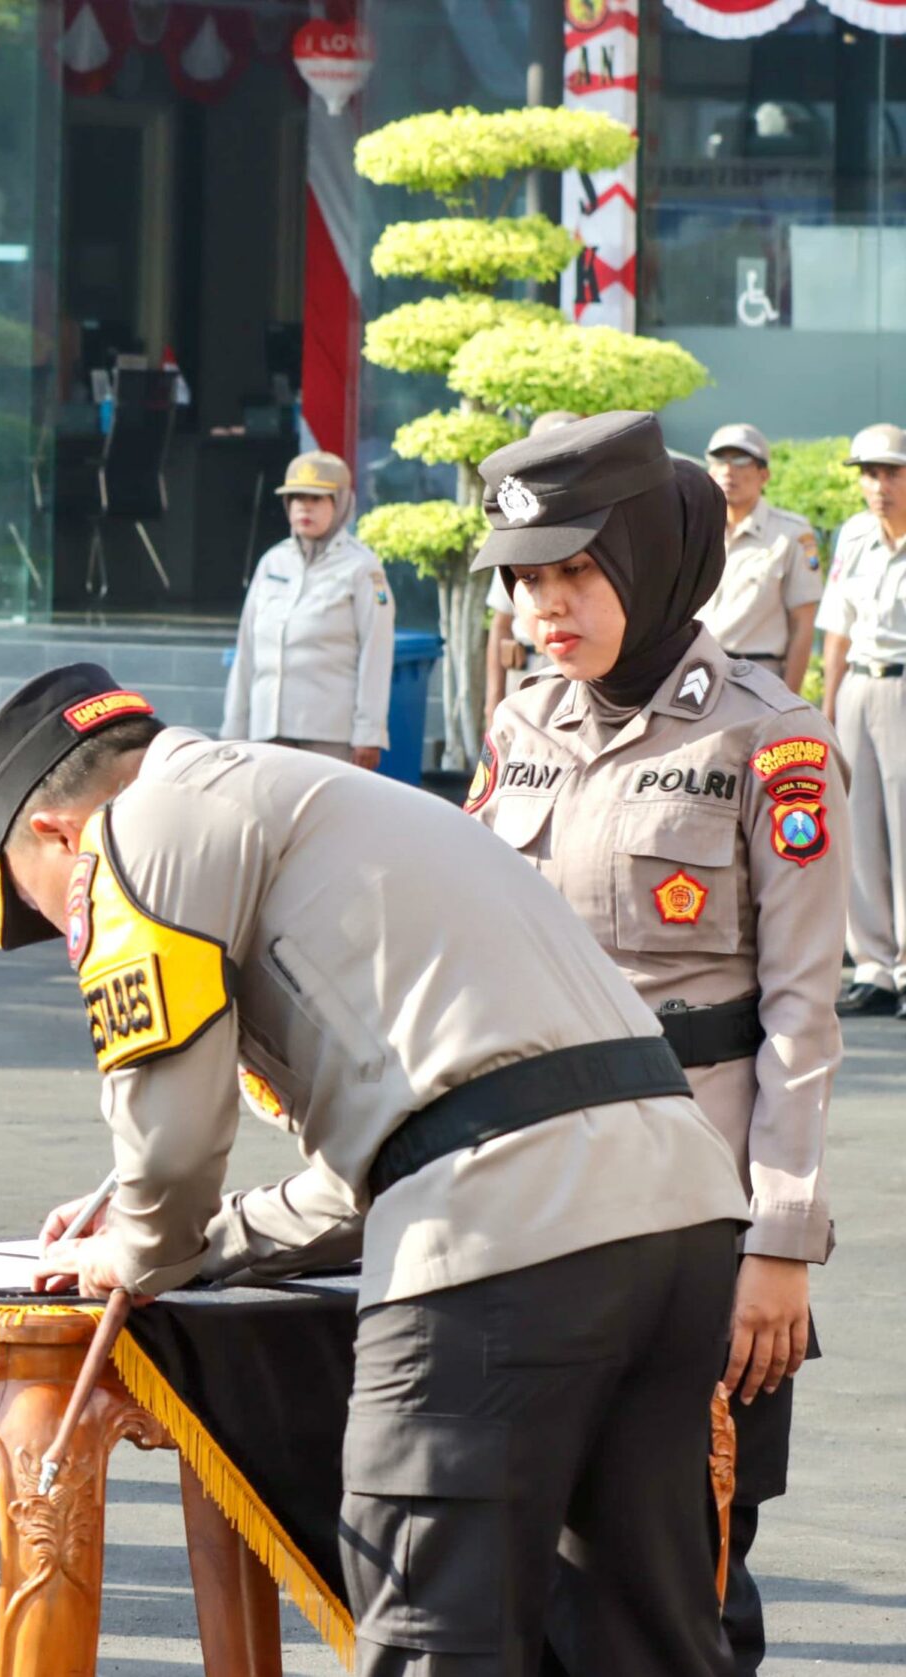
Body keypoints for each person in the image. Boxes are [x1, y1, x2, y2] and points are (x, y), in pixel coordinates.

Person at [0, 665, 750, 1676]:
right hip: (679, 1214)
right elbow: (390, 1162)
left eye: (38, 902)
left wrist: (139, 1248)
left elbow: (170, 1141)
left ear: (56, 833)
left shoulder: (141, 822)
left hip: (497, 1236)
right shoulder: (330, 798)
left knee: (435, 1638)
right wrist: (212, 1241)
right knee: (641, 1647)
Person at [466, 411, 839, 1674]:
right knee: (529, 1574)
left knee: (679, 1578)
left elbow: (800, 1016)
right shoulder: (520, 728)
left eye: (575, 572)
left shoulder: (770, 739)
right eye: (525, 580)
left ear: (647, 559)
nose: (544, 608)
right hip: (532, 1206)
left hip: (694, 1217)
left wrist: (778, 1241)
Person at [220, 451, 392, 768]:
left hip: (330, 735)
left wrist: (369, 732)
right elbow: (247, 651)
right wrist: (233, 729)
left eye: (317, 498)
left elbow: (376, 653)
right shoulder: (273, 562)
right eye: (296, 498)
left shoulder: (362, 567)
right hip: (266, 733)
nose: (304, 507)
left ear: (340, 503)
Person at [819, 422, 906, 1019]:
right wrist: (828, 707)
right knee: (858, 828)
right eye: (869, 474)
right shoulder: (853, 534)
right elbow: (837, 626)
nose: (878, 485)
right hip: (858, 684)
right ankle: (874, 968)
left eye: (891, 472)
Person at [694, 423, 821, 694]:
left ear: (764, 475)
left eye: (741, 461)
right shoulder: (695, 529)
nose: (728, 471)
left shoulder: (792, 534)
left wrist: (789, 698)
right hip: (696, 674)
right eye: (720, 460)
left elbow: (802, 623)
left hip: (757, 678)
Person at [485, 411, 578, 715]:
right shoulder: (516, 528)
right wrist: (493, 703)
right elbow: (501, 623)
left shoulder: (596, 527)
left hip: (579, 668)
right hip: (525, 670)